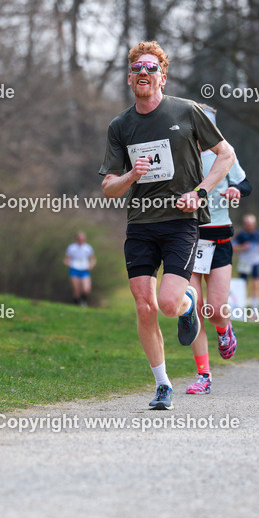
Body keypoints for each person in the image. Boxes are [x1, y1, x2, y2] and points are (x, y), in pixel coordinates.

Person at [100, 41, 235, 410]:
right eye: (137, 69)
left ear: (162, 75)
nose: (143, 73)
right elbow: (109, 188)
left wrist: (201, 191)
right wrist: (131, 174)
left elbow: (226, 154)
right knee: (145, 306)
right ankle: (163, 385)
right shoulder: (121, 126)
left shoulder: (187, 111)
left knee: (168, 303)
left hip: (181, 222)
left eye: (151, 68)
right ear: (130, 78)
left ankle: (189, 304)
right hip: (142, 224)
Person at [185, 105, 252, 395]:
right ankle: (204, 375)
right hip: (187, 237)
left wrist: (237, 191)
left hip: (220, 237)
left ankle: (224, 329)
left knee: (214, 309)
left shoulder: (225, 152)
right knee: (191, 309)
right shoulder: (181, 154)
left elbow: (245, 183)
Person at [233, 214, 259, 312]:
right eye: (248, 224)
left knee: (256, 285)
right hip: (245, 263)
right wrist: (242, 247)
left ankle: (255, 310)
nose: (250, 226)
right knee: (243, 286)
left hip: (256, 262)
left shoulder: (258, 234)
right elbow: (233, 247)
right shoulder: (241, 235)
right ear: (244, 224)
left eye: (251, 223)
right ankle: (240, 309)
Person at [64, 232, 96, 306]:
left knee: (86, 289)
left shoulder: (88, 248)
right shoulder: (71, 248)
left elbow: (93, 259)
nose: (81, 240)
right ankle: (77, 305)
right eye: (79, 239)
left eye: (82, 239)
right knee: (76, 290)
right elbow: (66, 259)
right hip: (74, 269)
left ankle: (83, 301)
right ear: (77, 239)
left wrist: (91, 265)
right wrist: (69, 264)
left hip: (84, 269)